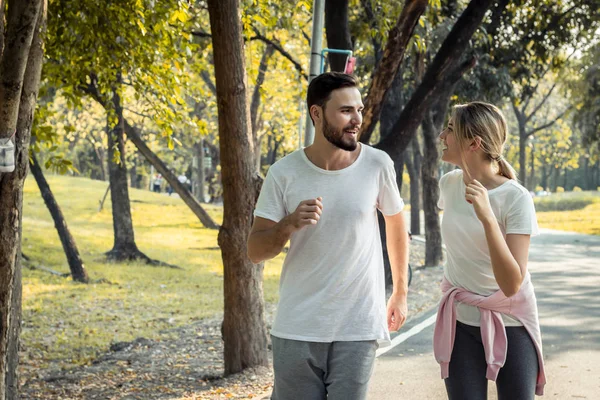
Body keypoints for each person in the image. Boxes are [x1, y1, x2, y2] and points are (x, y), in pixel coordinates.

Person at [247, 72, 409, 400]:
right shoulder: (284, 172)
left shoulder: (377, 165)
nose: (356, 120)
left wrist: (400, 293)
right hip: (297, 327)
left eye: (359, 110)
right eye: (346, 111)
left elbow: (395, 225)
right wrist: (287, 226)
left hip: (358, 325)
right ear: (316, 113)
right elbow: (255, 250)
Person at [433, 102, 546, 399]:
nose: (442, 136)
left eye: (449, 129)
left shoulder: (515, 198)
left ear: (474, 143)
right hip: (459, 323)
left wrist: (487, 218)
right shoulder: (448, 185)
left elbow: (511, 284)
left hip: (511, 323)